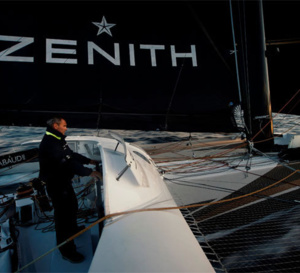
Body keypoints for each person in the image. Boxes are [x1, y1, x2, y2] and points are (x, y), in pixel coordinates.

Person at [38, 117, 102, 263]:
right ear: (56, 126)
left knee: (72, 206)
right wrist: (90, 172)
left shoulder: (57, 139)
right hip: (57, 185)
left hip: (63, 182)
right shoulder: (51, 143)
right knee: (63, 218)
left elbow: (70, 155)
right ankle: (66, 250)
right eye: (64, 125)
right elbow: (67, 164)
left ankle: (73, 230)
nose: (66, 128)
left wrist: (89, 161)